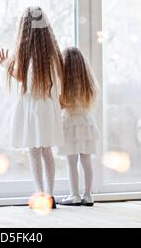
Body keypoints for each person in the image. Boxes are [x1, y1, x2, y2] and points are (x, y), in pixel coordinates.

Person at [0, 6, 64, 209]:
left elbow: (24, 78)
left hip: (34, 108)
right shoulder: (52, 55)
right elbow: (54, 85)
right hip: (47, 108)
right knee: (46, 151)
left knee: (35, 151)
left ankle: (40, 194)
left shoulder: (31, 56)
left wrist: (7, 65)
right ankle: (49, 195)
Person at [58, 47, 100, 207]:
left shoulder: (64, 84)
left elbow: (61, 105)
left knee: (71, 161)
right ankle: (88, 195)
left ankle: (74, 195)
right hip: (87, 123)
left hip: (70, 124)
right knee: (87, 161)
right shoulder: (88, 83)